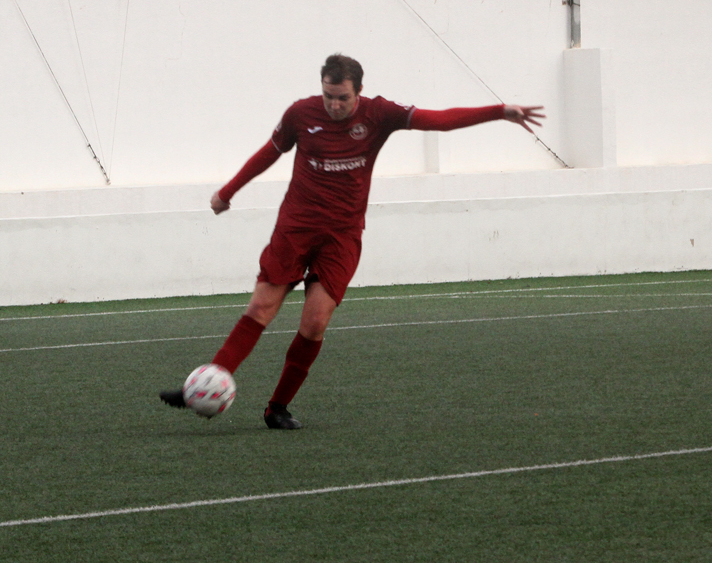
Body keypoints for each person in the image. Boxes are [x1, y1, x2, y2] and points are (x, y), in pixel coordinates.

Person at [161, 54, 544, 429]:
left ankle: (277, 408)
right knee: (261, 307)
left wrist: (499, 111)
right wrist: (227, 192)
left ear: (359, 91)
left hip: (342, 237)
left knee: (315, 323)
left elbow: (438, 120)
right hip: (295, 228)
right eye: (328, 96)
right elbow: (269, 153)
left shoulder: (380, 114)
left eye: (343, 98)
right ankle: (205, 385)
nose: (334, 105)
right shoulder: (300, 114)